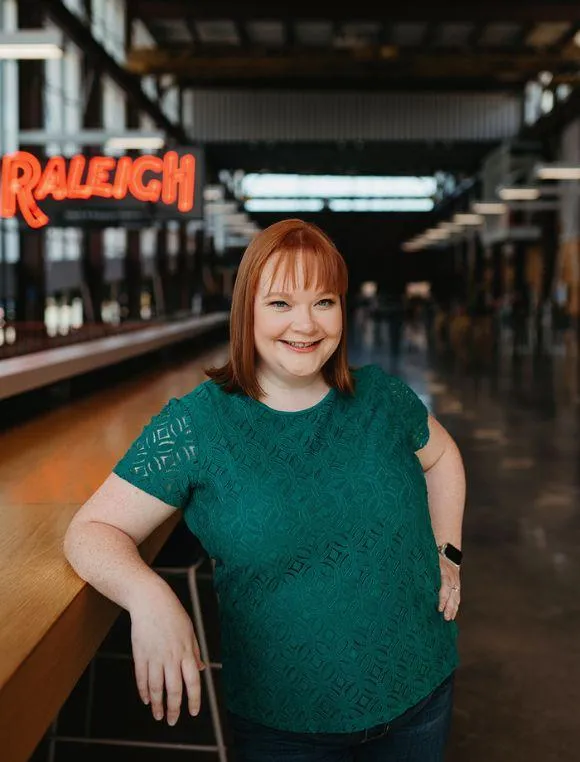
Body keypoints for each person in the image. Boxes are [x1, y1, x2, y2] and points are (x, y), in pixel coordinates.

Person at [63, 219, 466, 762]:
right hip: (286, 724)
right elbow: (91, 531)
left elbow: (443, 459)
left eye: (324, 301)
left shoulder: (382, 400)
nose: (306, 323)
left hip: (421, 691)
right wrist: (150, 597)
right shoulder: (197, 427)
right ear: (245, 310)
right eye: (280, 303)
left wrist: (449, 551)